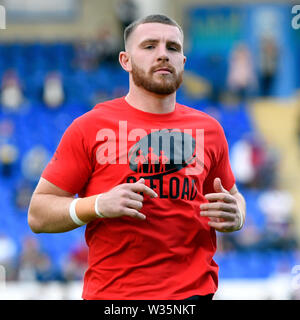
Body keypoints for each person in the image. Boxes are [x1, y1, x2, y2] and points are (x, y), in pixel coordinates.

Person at [28, 14, 246, 300]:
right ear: (125, 60)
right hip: (115, 298)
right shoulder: (90, 127)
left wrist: (238, 214)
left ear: (183, 61)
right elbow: (38, 214)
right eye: (149, 46)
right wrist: (97, 205)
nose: (163, 55)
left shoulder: (210, 130)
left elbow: (233, 195)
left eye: (172, 47)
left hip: (194, 296)